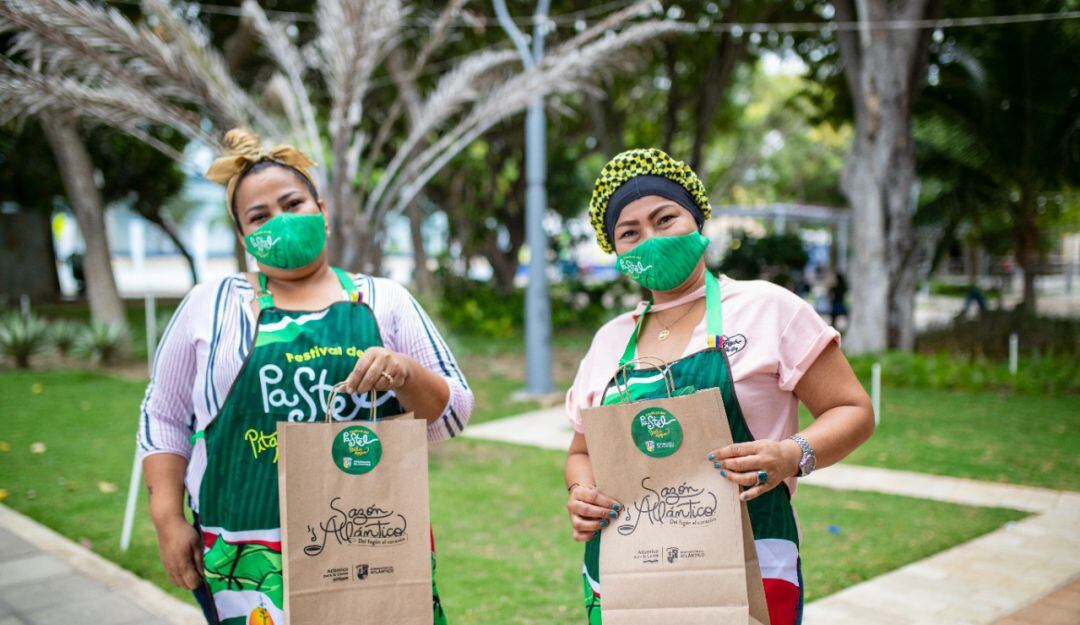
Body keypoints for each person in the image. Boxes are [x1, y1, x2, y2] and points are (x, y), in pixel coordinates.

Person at [137, 129, 472, 625]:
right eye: (260, 216)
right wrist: (167, 519)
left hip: (368, 541)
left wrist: (404, 373)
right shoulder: (210, 306)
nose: (280, 221)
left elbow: (453, 413)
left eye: (293, 204)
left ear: (322, 210)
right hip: (245, 553)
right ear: (244, 237)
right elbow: (163, 416)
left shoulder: (385, 300)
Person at [563, 148, 875, 625]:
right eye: (630, 233)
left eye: (664, 218)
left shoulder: (768, 308)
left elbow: (853, 410)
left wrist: (791, 454)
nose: (650, 239)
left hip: (749, 562)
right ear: (616, 251)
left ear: (697, 218)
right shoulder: (610, 340)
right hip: (629, 570)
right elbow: (581, 452)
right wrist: (584, 492)